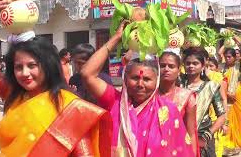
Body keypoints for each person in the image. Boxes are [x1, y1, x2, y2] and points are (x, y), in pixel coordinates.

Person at [0, 0, 112, 157]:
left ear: (47, 66)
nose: (25, 73)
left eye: (32, 65)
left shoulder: (69, 107)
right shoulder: (12, 92)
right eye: (18, 67)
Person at [81, 22, 194, 157]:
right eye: (135, 78)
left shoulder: (168, 110)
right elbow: (87, 74)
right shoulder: (114, 101)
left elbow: (182, 151)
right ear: (125, 79)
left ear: (157, 80)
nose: (140, 84)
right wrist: (116, 38)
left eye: (147, 79)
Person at [182, 47, 226, 157]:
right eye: (188, 63)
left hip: (202, 137)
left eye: (195, 63)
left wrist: (207, 135)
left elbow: (221, 116)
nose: (191, 66)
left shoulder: (211, 87)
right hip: (180, 135)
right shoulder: (179, 85)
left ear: (202, 66)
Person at [158, 51, 198, 155]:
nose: (166, 69)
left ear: (179, 70)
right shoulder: (149, 95)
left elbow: (191, 133)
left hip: (177, 150)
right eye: (162, 66)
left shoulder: (187, 97)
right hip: (152, 149)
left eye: (171, 66)